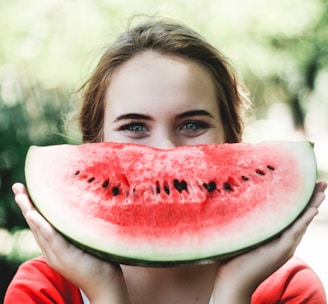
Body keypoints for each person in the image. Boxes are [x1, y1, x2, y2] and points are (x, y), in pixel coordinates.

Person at [5, 18, 327, 304]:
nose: (165, 151)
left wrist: (234, 292)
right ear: (95, 143)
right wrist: (105, 292)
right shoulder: (44, 290)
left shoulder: (288, 289)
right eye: (134, 127)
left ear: (231, 139)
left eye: (192, 125)